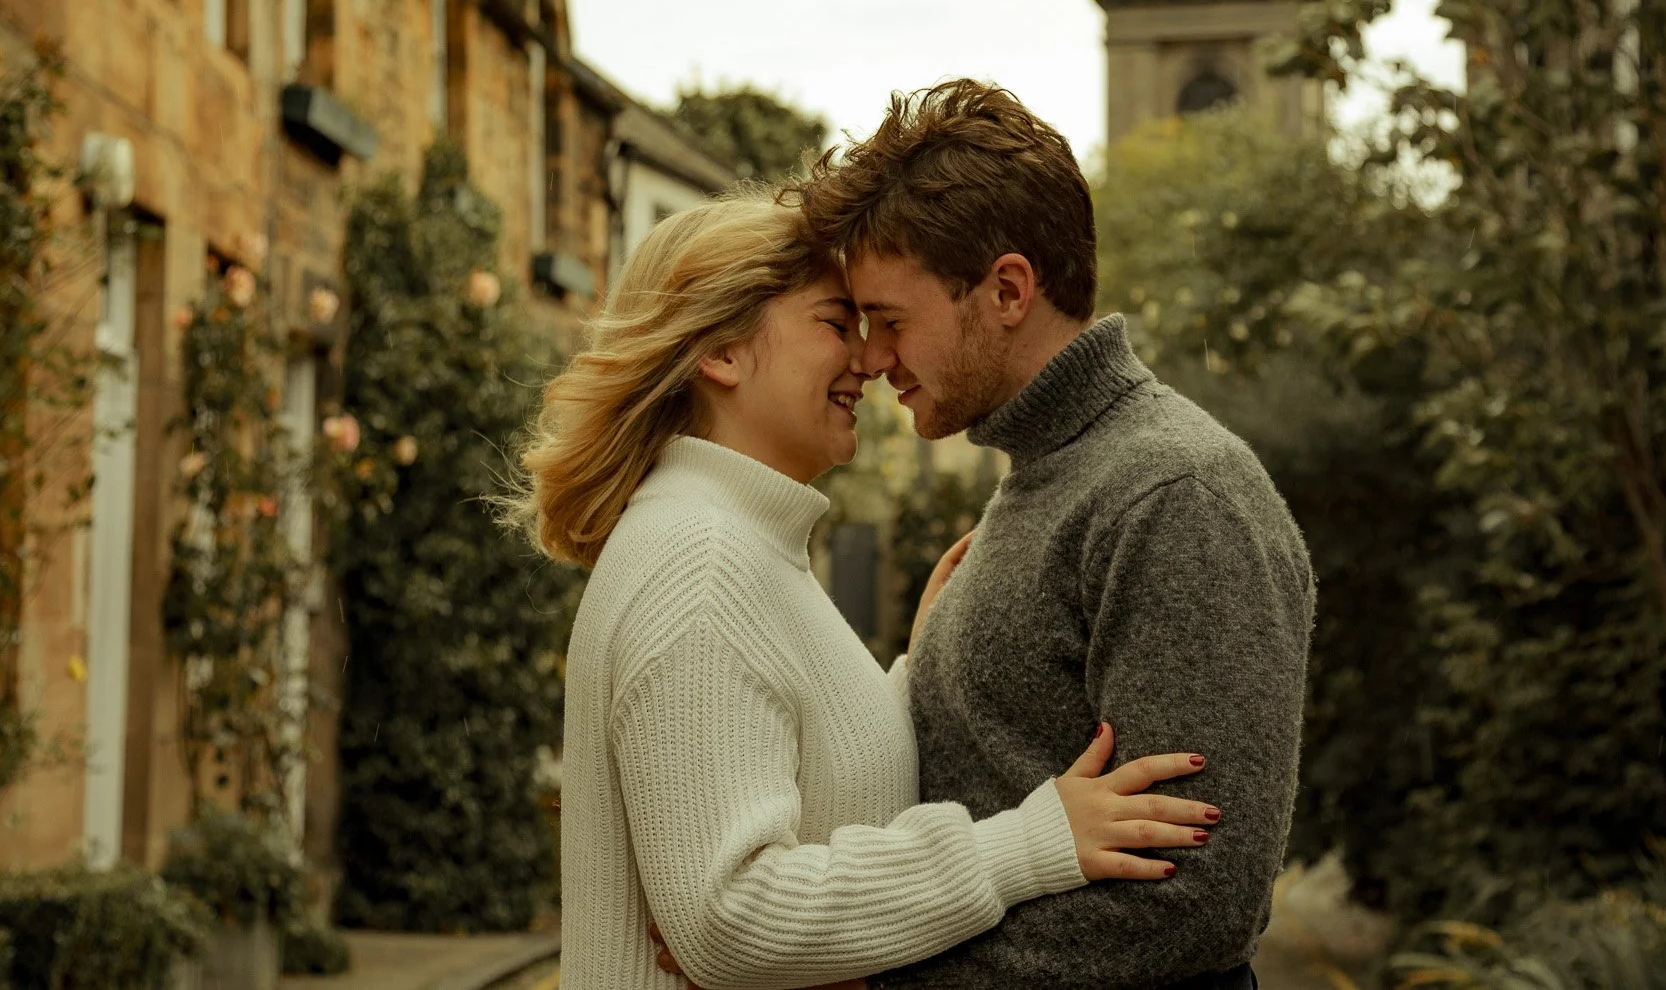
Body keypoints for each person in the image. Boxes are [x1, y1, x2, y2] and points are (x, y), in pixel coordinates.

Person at [512, 195, 1223, 990]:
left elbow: (806, 779)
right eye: (833, 322)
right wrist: (1028, 843)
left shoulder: (744, 544)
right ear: (722, 352)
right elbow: (729, 917)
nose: (868, 359)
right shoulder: (701, 559)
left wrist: (917, 675)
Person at [791, 80, 1317, 989]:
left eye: (892, 319)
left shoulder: (1174, 494)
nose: (871, 359)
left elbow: (1194, 902)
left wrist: (881, 975)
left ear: (1006, 289)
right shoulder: (1045, 477)